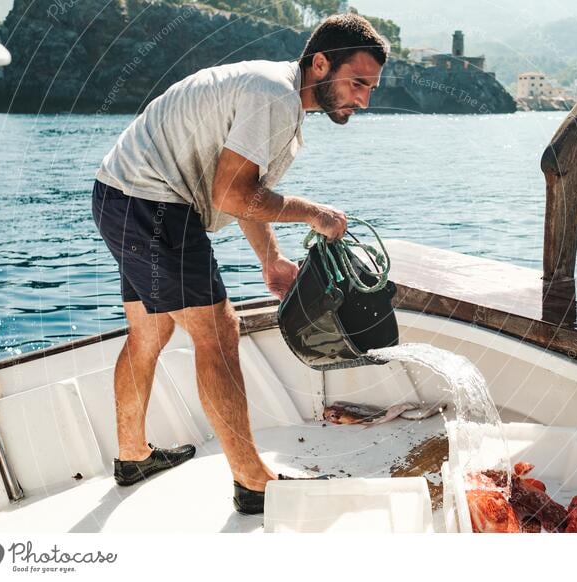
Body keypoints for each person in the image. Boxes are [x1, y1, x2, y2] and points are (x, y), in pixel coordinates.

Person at [91, 13, 387, 514]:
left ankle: (131, 456)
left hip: (121, 195)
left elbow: (245, 194)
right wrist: (316, 215)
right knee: (219, 334)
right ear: (320, 63)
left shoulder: (279, 97)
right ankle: (253, 482)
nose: (364, 98)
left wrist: (270, 259)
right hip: (153, 204)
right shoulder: (273, 95)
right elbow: (232, 193)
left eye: (371, 87)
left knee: (149, 333)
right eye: (358, 82)